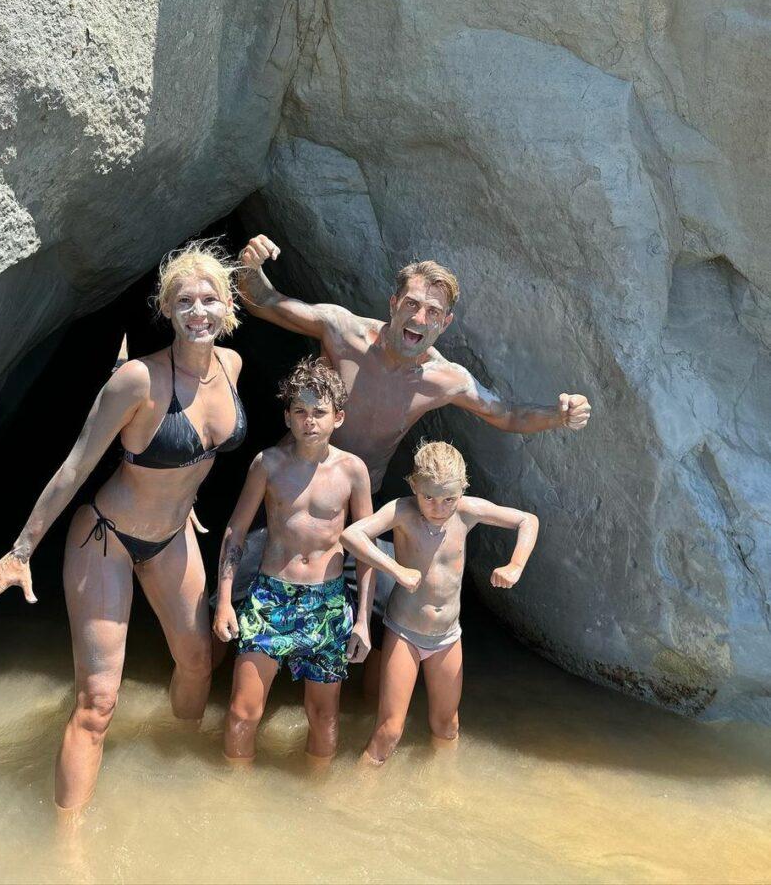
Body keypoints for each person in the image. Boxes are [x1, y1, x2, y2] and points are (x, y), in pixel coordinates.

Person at [0, 240, 246, 813]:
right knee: (98, 702)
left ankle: (179, 775)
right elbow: (75, 467)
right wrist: (21, 551)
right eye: (184, 301)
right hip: (106, 537)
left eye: (209, 299)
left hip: (172, 537)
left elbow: (201, 452)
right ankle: (66, 843)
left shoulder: (232, 365)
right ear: (166, 309)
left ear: (227, 305)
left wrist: (184, 493)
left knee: (197, 663)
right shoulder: (137, 379)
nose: (198, 311)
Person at [233, 234, 589, 662]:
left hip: (362, 507)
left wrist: (559, 414)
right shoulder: (344, 332)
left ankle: (368, 695)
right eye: (412, 304)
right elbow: (265, 302)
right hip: (292, 494)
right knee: (229, 602)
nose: (420, 317)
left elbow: (507, 414)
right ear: (393, 304)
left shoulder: (445, 379)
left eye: (433, 311)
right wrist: (250, 264)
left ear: (445, 322)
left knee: (388, 621)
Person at [213, 359, 374, 763]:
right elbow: (236, 531)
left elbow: (366, 549)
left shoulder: (353, 471)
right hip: (270, 598)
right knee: (241, 713)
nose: (309, 421)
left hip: (328, 601)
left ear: (338, 417)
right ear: (287, 416)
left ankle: (316, 791)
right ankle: (232, 791)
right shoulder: (267, 464)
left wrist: (363, 619)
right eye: (300, 411)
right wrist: (224, 600)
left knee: (323, 717)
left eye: (319, 411)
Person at [340, 441, 538, 764]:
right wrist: (396, 569)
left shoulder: (467, 511)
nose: (438, 507)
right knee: (389, 731)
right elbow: (351, 535)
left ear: (462, 490)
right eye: (429, 497)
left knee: (447, 726)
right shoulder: (402, 511)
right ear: (414, 485)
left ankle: (446, 788)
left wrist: (515, 565)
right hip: (404, 632)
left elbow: (527, 520)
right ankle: (358, 790)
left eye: (449, 499)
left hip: (447, 636)